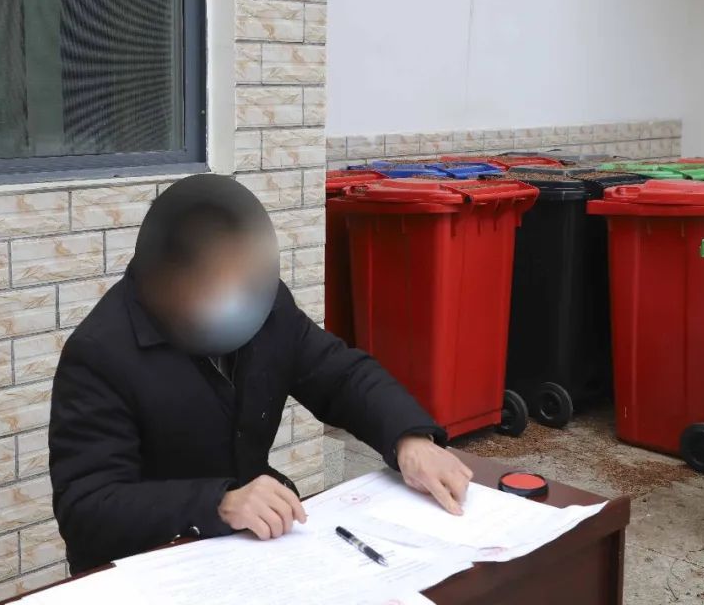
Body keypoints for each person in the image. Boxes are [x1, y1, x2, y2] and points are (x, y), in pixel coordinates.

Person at [49, 174, 474, 574]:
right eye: (214, 287)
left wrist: (408, 439)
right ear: (170, 275)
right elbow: (87, 507)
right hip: (149, 567)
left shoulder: (258, 304)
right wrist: (218, 503)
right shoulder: (101, 353)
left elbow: (339, 375)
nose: (231, 302)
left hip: (247, 550)